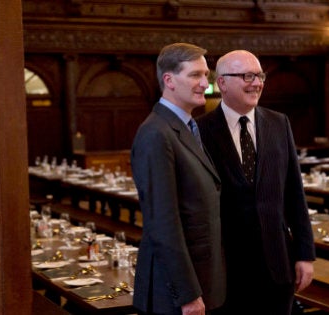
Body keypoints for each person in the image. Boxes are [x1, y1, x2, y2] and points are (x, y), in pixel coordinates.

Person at [197, 50, 315, 315]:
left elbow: (295, 194)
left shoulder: (278, 123)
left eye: (260, 75)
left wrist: (305, 254)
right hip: (226, 268)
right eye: (247, 76)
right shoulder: (200, 131)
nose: (257, 83)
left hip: (277, 264)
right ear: (222, 83)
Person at [130, 42, 225, 315]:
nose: (204, 83)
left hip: (202, 278)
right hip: (176, 294)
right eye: (195, 75)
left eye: (206, 75)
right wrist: (187, 295)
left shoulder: (186, 127)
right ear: (169, 80)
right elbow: (163, 223)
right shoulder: (157, 133)